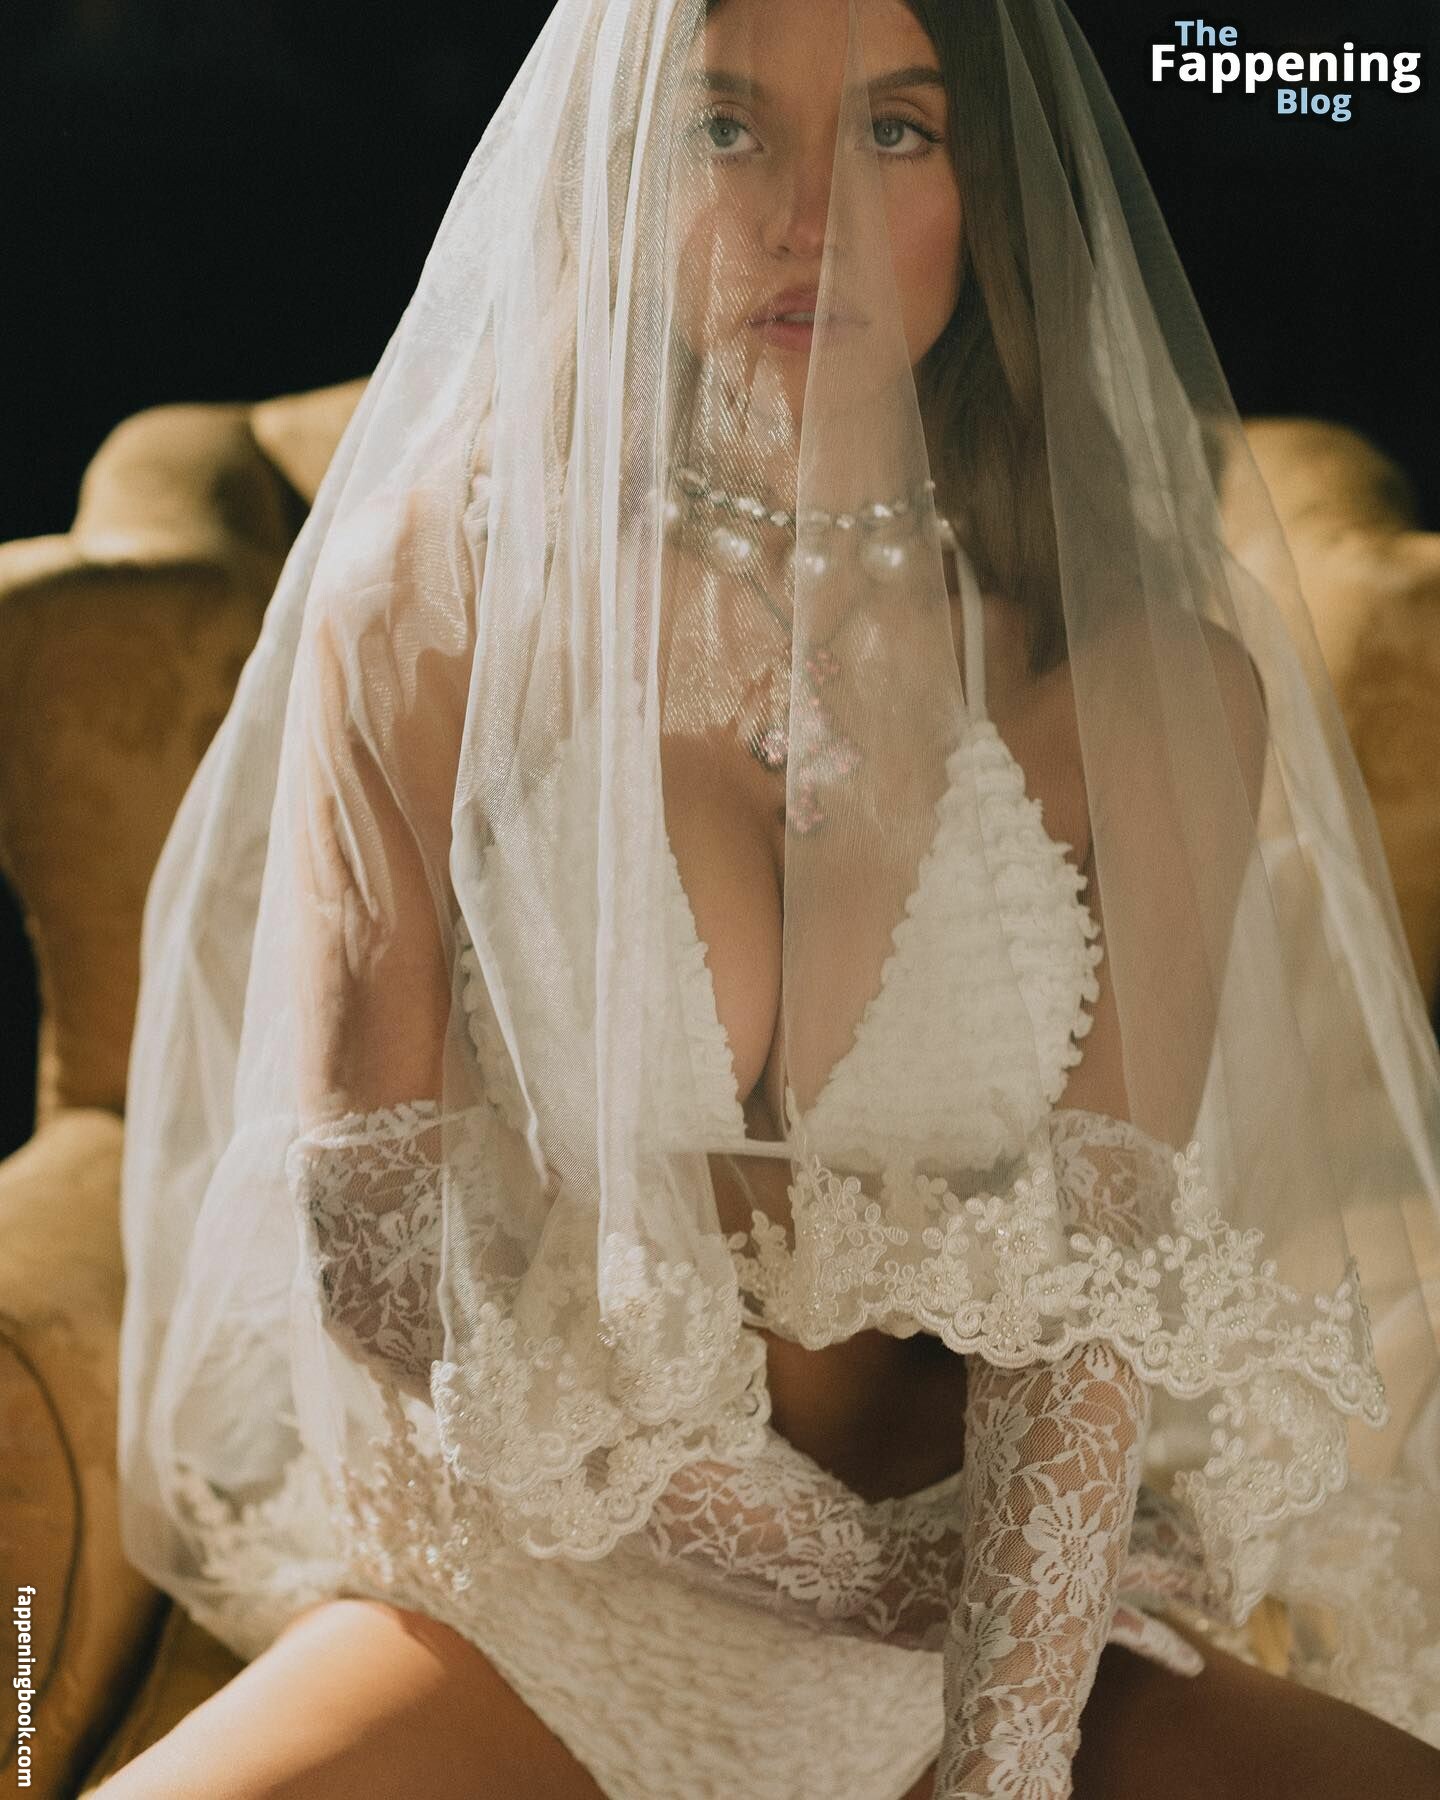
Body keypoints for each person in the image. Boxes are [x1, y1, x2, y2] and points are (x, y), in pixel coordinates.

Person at [107, 0, 1440, 1794]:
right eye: (727, 129)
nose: (813, 215)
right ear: (616, 170)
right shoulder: (430, 602)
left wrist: (1003, 1745)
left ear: (985, 188)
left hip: (1006, 1606)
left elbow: (1092, 1298)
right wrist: (829, 1567)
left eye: (897, 129)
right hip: (546, 1600)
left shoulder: (1147, 681)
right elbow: (377, 1247)